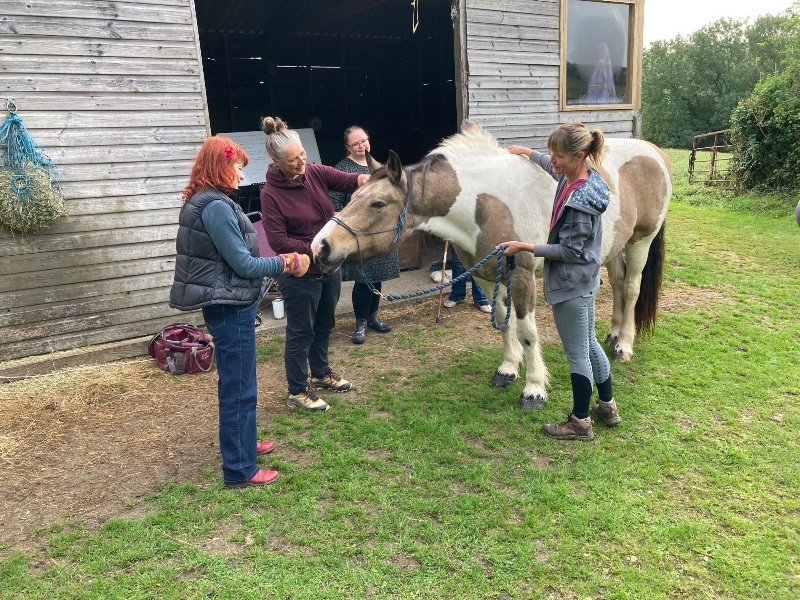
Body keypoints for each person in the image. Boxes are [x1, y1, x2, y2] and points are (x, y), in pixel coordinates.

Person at [169, 135, 311, 486]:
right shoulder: (214, 206)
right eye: (236, 167)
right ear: (220, 165)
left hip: (231, 303)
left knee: (242, 381)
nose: (240, 175)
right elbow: (245, 264)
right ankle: (239, 469)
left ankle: (242, 443)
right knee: (239, 387)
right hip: (230, 306)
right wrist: (285, 262)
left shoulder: (210, 201)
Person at [499, 122, 620, 441]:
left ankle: (580, 422)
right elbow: (554, 171)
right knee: (590, 343)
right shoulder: (580, 178)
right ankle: (606, 406)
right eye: (550, 153)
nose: (552, 160)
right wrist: (530, 154)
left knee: (577, 353)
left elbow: (569, 250)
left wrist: (525, 246)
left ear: (578, 156)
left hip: (571, 284)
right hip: (584, 279)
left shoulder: (580, 203)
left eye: (558, 155)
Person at [259, 116, 369, 412]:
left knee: (324, 324)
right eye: (294, 160)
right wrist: (318, 247)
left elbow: (348, 180)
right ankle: (297, 389)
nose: (301, 162)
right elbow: (278, 241)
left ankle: (319, 373)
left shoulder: (315, 173)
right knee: (300, 332)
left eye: (303, 155)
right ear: (276, 161)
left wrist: (369, 180)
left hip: (329, 269)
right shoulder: (270, 194)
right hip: (300, 275)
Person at [329, 126, 400, 344]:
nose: (362, 146)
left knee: (377, 277)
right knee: (363, 280)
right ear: (347, 147)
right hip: (358, 235)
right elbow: (334, 206)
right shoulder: (342, 169)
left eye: (364, 141)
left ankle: (372, 317)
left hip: (379, 233)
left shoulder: (379, 167)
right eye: (356, 144)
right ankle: (360, 322)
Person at [442, 118, 492, 314]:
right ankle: (457, 293)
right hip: (460, 213)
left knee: (478, 255)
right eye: (469, 134)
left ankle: (480, 297)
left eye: (476, 134)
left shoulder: (487, 157)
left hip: (481, 214)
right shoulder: (453, 157)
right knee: (458, 257)